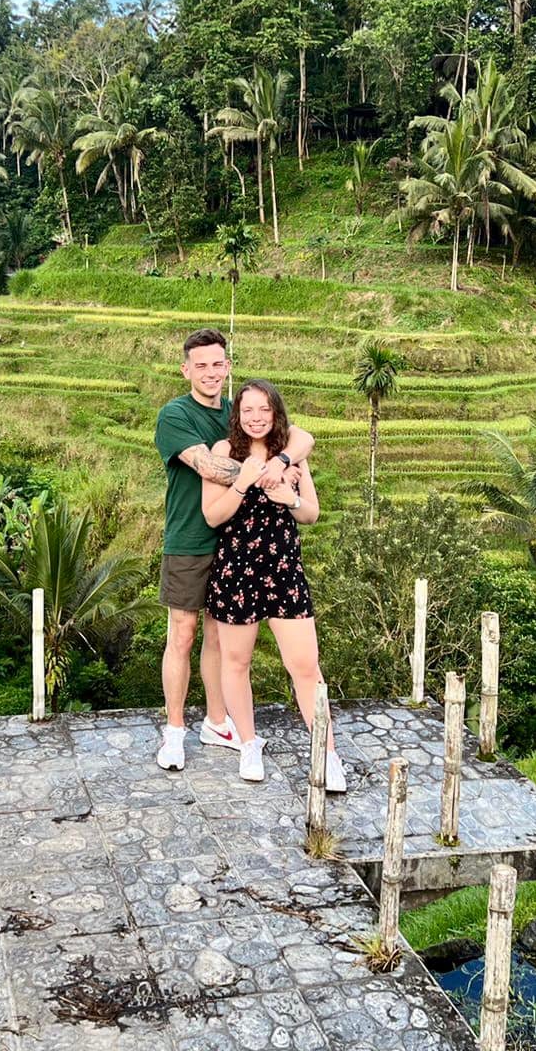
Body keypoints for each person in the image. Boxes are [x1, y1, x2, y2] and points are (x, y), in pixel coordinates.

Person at [153, 330, 313, 771]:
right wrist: (264, 471)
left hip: (236, 548)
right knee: (182, 635)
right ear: (186, 369)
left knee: (220, 640)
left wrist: (281, 461)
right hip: (190, 537)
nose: (210, 372)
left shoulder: (238, 411)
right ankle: (173, 732)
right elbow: (206, 464)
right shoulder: (175, 414)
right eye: (200, 365)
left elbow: (301, 437)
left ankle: (216, 721)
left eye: (217, 363)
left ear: (228, 367)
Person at [201, 379, 344, 791]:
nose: (256, 418)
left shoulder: (291, 454)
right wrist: (244, 482)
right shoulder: (224, 453)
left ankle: (327, 753)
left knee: (305, 665)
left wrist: (290, 499)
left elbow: (312, 513)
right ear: (237, 414)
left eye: (264, 410)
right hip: (236, 570)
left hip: (283, 569)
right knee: (236, 661)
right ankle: (248, 743)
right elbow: (213, 516)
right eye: (248, 410)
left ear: (276, 412)